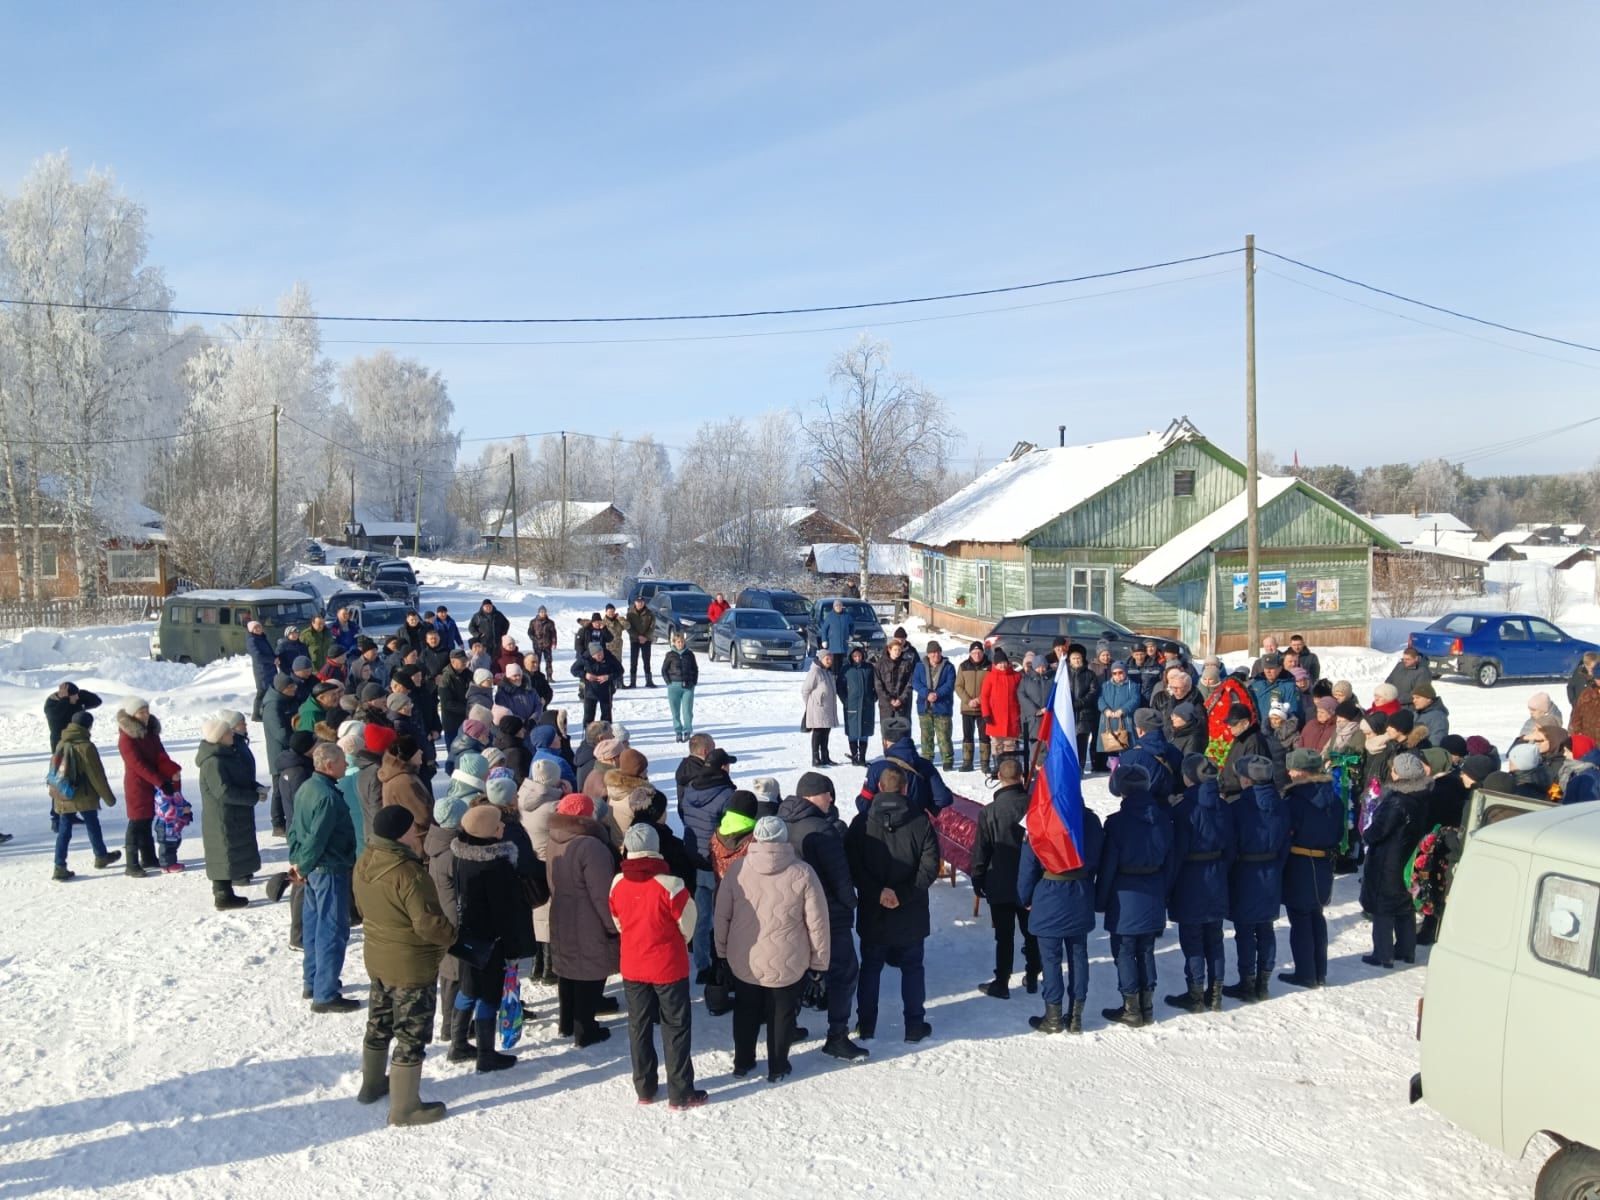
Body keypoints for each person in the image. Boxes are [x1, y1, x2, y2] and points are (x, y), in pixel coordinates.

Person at [353, 804, 456, 1125]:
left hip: (378, 958)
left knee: (379, 1022)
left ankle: (371, 1085)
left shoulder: (365, 860)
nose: (416, 832)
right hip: (411, 965)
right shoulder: (408, 873)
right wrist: (452, 936)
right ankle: (405, 1108)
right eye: (411, 827)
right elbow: (427, 923)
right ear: (400, 834)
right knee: (411, 1033)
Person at [716, 816, 830, 1082]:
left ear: (755, 837)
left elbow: (722, 915)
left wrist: (721, 952)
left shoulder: (737, 869)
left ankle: (743, 1062)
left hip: (745, 957)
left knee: (745, 1009)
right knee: (782, 1013)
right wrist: (819, 963)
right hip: (787, 959)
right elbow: (817, 923)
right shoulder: (803, 872)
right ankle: (778, 1066)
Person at [609, 822, 707, 1108]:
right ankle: (680, 1092)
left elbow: (617, 921)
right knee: (675, 1027)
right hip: (668, 966)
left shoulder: (617, 882)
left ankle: (645, 1087)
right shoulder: (672, 885)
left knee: (638, 1026)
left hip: (633, 964)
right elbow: (688, 925)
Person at [845, 766, 940, 1043]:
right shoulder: (920, 822)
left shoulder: (861, 823)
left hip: (874, 911)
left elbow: (852, 866)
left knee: (871, 967)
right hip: (911, 912)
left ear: (879, 787)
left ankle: (866, 1025)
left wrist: (878, 893)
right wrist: (902, 894)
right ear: (905, 788)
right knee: (912, 968)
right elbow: (930, 867)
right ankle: (914, 1025)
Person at [779, 771, 866, 1061]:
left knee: (794, 971)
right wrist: (851, 903)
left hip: (790, 913)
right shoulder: (822, 829)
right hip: (828, 915)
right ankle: (837, 1036)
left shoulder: (781, 823)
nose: (831, 798)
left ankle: (786, 1027)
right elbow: (839, 876)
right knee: (844, 972)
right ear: (813, 795)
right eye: (827, 793)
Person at [1017, 791, 1104, 1035]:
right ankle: (1076, 1016)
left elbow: (1028, 866)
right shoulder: (1091, 821)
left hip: (1050, 896)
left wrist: (1025, 897)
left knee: (1051, 960)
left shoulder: (1042, 821)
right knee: (1078, 956)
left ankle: (1053, 1016)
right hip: (1080, 893)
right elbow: (1098, 857)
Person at [1097, 763, 1174, 1028]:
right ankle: (1147, 1005)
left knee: (1124, 950)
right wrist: (1165, 891)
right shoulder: (1163, 820)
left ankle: (1131, 1007)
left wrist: (1100, 900)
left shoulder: (1116, 824)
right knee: (1147, 950)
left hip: (1125, 894)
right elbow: (1171, 862)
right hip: (1153, 890)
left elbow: (1108, 867)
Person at [448, 803, 521, 1072]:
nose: (502, 826)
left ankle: (458, 1044)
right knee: (489, 995)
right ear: (488, 831)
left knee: (468, 989)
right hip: (492, 940)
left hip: (467, 936)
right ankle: (486, 1054)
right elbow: (505, 912)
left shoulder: (460, 856)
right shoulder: (496, 866)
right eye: (498, 824)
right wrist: (513, 948)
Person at [289, 742, 360, 1013]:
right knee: (332, 930)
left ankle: (312, 981)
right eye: (342, 761)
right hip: (328, 869)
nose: (346, 764)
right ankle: (326, 993)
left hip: (312, 871)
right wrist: (304, 866)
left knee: (313, 926)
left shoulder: (307, 788)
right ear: (330, 765)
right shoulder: (328, 797)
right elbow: (317, 839)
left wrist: (298, 864)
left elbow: (295, 830)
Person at [548, 792, 620, 1047]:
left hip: (561, 913)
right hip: (588, 918)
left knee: (568, 969)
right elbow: (601, 893)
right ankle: (585, 1030)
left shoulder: (554, 838)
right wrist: (612, 925)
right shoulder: (591, 846)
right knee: (589, 970)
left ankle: (567, 1022)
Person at [1163, 755, 1235, 1014]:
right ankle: (1215, 993)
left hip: (1190, 879)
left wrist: (1169, 886)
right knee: (1215, 938)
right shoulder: (1224, 807)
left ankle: (1195, 993)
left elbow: (1177, 853)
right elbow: (1232, 848)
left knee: (1192, 938)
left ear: (1189, 777)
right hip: (1216, 875)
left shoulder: (1184, 810)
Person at [1222, 756, 1291, 1003]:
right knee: (1266, 928)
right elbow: (1286, 844)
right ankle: (1263, 982)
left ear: (1246, 780)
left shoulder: (1238, 808)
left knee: (1245, 930)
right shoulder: (1282, 806)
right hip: (1271, 870)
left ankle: (1247, 982)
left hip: (1245, 872)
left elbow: (1230, 847)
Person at [971, 758, 1040, 999]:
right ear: (1021, 777)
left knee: (1004, 936)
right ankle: (1033, 975)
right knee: (1031, 932)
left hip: (999, 880)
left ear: (999, 777)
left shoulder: (989, 812)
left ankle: (1002, 981)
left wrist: (978, 877)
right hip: (1030, 880)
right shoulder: (1035, 806)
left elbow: (981, 849)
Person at [1361, 752, 1429, 968]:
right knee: (1404, 904)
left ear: (1401, 774)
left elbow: (1379, 830)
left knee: (1383, 906)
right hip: (1408, 857)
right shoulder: (1423, 795)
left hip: (1387, 860)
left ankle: (1383, 954)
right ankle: (1406, 951)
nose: (1391, 772)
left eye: (1394, 769)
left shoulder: (1397, 801)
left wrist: (1367, 833)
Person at [678, 746, 735, 981]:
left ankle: (702, 964)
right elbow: (730, 829)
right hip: (717, 860)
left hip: (695, 856)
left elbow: (684, 814)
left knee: (702, 915)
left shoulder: (691, 787)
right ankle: (723, 961)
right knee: (724, 914)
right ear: (723, 767)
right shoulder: (726, 793)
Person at [197, 712, 263, 909]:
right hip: (222, 816)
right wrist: (252, 797)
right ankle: (222, 895)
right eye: (228, 733)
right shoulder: (213, 762)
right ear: (219, 737)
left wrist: (255, 787)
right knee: (222, 853)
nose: (232, 735)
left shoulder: (227, 754)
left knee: (229, 852)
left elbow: (239, 779)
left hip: (233, 814)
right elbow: (224, 792)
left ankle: (226, 893)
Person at [49, 710, 120, 881]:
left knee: (64, 831)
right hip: (83, 794)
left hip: (64, 793)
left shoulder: (61, 742)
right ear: (88, 726)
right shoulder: (86, 747)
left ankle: (59, 866)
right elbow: (96, 775)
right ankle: (101, 856)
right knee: (92, 824)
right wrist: (109, 798)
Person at [115, 695, 181, 878]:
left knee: (148, 819)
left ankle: (148, 857)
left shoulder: (150, 732)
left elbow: (161, 755)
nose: (145, 715)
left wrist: (171, 772)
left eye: (147, 711)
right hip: (138, 785)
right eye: (141, 712)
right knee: (137, 822)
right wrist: (160, 781)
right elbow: (138, 765)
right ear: (132, 715)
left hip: (154, 783)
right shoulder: (127, 738)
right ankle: (131, 863)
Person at [910, 641, 956, 770]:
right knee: (926, 735)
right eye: (933, 652)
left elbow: (950, 684)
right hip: (924, 706)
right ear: (928, 654)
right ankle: (927, 758)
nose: (936, 655)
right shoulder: (920, 666)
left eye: (938, 652)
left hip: (942, 706)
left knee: (944, 735)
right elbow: (916, 682)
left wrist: (937, 694)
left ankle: (947, 759)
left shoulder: (948, 667)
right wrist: (926, 693)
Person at [979, 648, 1023, 782]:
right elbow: (984, 696)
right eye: (999, 663)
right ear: (995, 664)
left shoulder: (1016, 676)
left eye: (1004, 662)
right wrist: (986, 713)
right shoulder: (990, 677)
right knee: (997, 743)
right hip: (995, 717)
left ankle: (1010, 769)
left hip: (1012, 716)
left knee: (1010, 744)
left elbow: (1021, 694)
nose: (1002, 665)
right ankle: (997, 767)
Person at [955, 642, 991, 774]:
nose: (977, 655)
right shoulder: (963, 666)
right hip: (967, 707)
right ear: (970, 653)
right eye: (974, 652)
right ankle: (967, 762)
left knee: (984, 736)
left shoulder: (989, 666)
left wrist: (980, 700)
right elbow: (958, 686)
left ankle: (985, 763)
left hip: (983, 708)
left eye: (979, 652)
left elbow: (991, 686)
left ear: (983, 653)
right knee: (967, 736)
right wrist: (968, 700)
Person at [1096, 662, 1140, 768]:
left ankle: (1126, 768)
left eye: (1120, 672)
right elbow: (1100, 699)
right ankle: (1114, 768)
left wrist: (1123, 710)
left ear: (1125, 672)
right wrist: (1105, 710)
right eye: (1114, 673)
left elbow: (1135, 699)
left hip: (1125, 719)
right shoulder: (1105, 685)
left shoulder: (1132, 685)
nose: (1117, 675)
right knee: (1111, 746)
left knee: (1127, 745)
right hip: (1109, 720)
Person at [802, 648, 841, 767]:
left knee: (826, 733)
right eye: (827, 659)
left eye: (831, 659)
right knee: (818, 733)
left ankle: (825, 757)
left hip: (827, 708)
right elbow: (805, 690)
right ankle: (815, 758)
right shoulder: (815, 672)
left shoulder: (828, 672)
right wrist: (810, 705)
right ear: (821, 659)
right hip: (817, 708)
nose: (830, 661)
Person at [840, 647, 877, 767]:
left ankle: (862, 757)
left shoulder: (869, 668)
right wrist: (845, 700)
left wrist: (873, 697)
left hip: (867, 705)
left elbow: (876, 684)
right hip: (852, 705)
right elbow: (840, 686)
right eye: (855, 656)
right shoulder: (846, 669)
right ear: (851, 657)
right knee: (852, 731)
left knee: (864, 732)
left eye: (859, 656)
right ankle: (854, 756)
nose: (857, 658)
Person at [572, 642, 624, 726]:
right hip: (590, 690)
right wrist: (585, 675)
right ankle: (588, 732)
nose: (601, 656)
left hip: (606, 690)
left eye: (601, 653)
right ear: (592, 655)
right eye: (598, 655)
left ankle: (606, 731)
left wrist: (608, 677)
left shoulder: (609, 657)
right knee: (588, 716)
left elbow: (620, 670)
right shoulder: (585, 658)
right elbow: (574, 670)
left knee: (606, 716)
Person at [661, 630, 698, 744]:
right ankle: (678, 731)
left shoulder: (689, 654)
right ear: (674, 643)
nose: (680, 644)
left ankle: (687, 730)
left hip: (687, 686)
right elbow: (664, 670)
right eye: (678, 642)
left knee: (687, 710)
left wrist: (693, 682)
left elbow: (695, 669)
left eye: (682, 641)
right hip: (674, 686)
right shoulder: (670, 655)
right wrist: (669, 682)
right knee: (675, 711)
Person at [246, 622, 277, 722]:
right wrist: (272, 660)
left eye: (259, 627)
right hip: (262, 670)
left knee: (270, 690)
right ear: (251, 630)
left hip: (270, 669)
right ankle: (256, 714)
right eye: (255, 628)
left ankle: (267, 711)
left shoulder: (262, 638)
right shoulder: (252, 640)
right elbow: (257, 656)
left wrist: (275, 658)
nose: (258, 629)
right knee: (262, 691)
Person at [625, 596, 657, 688]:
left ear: (644, 603)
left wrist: (645, 637)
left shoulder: (650, 613)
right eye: (638, 602)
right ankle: (632, 682)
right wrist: (638, 636)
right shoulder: (630, 613)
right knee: (633, 661)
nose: (640, 604)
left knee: (646, 661)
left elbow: (652, 627)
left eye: (641, 602)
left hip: (646, 640)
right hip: (634, 640)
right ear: (635, 603)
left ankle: (649, 681)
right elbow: (629, 627)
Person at [818, 601, 853, 673]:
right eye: (836, 606)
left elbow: (852, 626)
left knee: (841, 663)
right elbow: (824, 629)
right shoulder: (830, 617)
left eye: (839, 605)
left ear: (842, 606)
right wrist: (824, 640)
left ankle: (840, 677)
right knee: (832, 663)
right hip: (833, 645)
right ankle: (832, 676)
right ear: (834, 607)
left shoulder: (847, 616)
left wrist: (851, 635)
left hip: (843, 644)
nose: (838, 607)